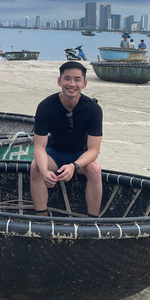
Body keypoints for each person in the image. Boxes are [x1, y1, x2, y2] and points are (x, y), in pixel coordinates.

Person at [30, 61, 103, 217]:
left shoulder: (93, 109)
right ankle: (41, 218)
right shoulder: (45, 106)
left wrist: (74, 166)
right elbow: (39, 147)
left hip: (80, 156)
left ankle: (93, 221)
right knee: (35, 167)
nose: (72, 84)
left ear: (84, 83)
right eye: (67, 79)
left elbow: (94, 150)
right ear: (59, 81)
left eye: (77, 80)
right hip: (54, 153)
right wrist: (44, 171)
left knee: (95, 169)